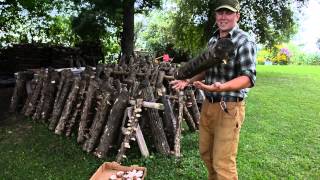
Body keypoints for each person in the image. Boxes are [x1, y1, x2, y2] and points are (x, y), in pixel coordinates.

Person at [170, 0, 257, 179]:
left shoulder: (244, 41)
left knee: (223, 163)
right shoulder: (213, 39)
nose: (223, 17)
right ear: (216, 15)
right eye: (220, 13)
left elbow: (248, 78)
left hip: (229, 108)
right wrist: (188, 81)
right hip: (208, 106)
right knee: (206, 154)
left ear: (237, 15)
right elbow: (207, 69)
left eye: (228, 13)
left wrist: (220, 87)